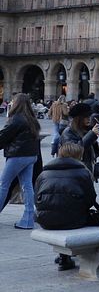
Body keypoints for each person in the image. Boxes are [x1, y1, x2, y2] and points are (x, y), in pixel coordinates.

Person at [34, 142, 96, 270]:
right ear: (78, 156)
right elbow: (90, 200)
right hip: (75, 221)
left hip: (46, 220)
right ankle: (71, 255)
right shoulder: (83, 173)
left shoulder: (43, 174)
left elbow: (37, 200)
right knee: (73, 215)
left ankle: (64, 257)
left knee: (62, 213)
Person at [0, 93, 42, 230]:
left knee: (3, 185)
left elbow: (3, 137)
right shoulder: (32, 119)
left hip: (17, 156)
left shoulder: (16, 119)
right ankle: (28, 219)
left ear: (16, 103)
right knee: (27, 186)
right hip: (31, 156)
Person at [60, 102, 99, 178]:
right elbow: (74, 151)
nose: (89, 119)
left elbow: (94, 154)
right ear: (78, 118)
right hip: (74, 172)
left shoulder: (85, 131)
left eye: (90, 116)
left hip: (87, 172)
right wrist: (91, 135)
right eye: (86, 117)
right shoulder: (68, 132)